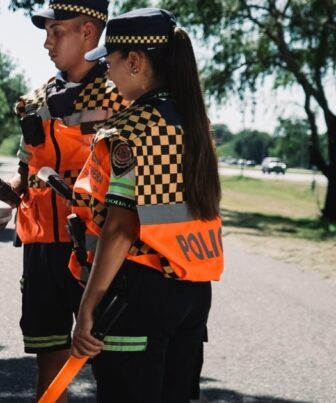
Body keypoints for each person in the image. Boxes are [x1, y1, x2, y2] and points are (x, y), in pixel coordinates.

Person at [69, 8, 224, 403]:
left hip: (137, 295)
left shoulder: (129, 130)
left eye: (108, 61)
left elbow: (120, 228)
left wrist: (88, 306)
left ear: (134, 61)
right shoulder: (191, 123)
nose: (105, 72)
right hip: (191, 293)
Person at [8, 1, 127, 400]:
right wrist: (12, 187)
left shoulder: (121, 99)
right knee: (49, 359)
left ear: (89, 32)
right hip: (43, 249)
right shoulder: (36, 100)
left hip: (97, 249)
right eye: (47, 33)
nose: (47, 43)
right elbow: (25, 168)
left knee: (112, 362)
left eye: (57, 32)